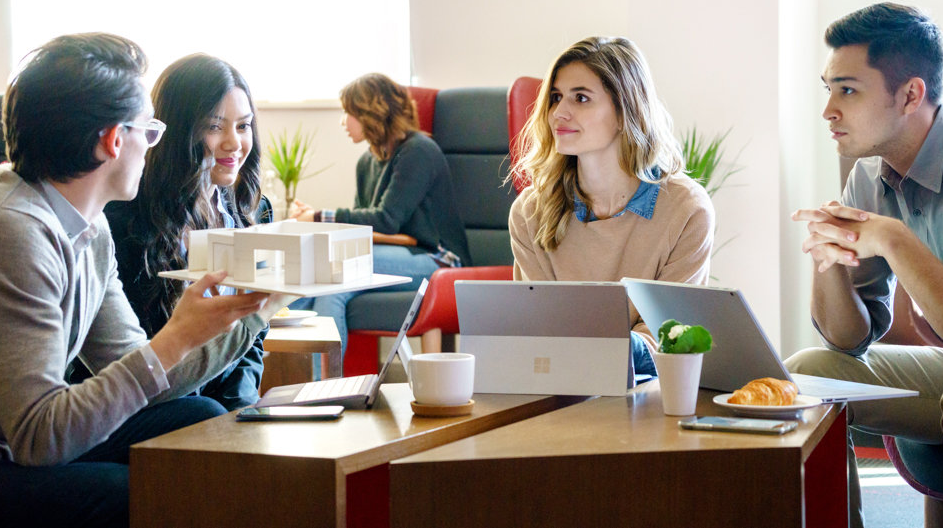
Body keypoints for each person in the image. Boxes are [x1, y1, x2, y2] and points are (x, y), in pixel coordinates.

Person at [0, 33, 289, 528]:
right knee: (133, 494)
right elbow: (40, 436)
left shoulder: (90, 224)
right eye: (149, 129)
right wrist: (175, 340)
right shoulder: (5, 230)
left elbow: (137, 375)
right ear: (112, 138)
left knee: (201, 420)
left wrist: (253, 313)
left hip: (15, 444)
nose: (154, 144)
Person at [788, 3, 943, 528]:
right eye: (828, 88)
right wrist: (827, 258)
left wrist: (894, 240)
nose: (828, 108)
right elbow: (850, 341)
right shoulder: (870, 176)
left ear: (911, 94)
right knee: (807, 374)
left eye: (847, 89)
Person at [508, 36, 714, 379]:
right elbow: (536, 332)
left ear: (624, 111)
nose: (559, 112)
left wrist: (599, 344)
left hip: (650, 391)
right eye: (556, 97)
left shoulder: (686, 210)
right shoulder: (530, 212)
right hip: (557, 386)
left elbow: (670, 340)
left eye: (581, 98)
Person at [105, 53, 272, 410]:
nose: (234, 142)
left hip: (219, 401)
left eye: (243, 126)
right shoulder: (126, 221)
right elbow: (132, 355)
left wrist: (240, 406)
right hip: (151, 401)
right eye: (214, 127)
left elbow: (252, 338)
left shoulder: (253, 211)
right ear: (180, 130)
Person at [290, 73, 471, 355]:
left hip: (439, 260)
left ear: (371, 113)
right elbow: (362, 226)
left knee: (332, 278)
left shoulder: (419, 151)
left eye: (348, 112)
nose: (343, 122)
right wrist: (315, 220)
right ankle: (299, 385)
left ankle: (323, 391)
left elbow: (386, 219)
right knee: (295, 292)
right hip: (400, 255)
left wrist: (318, 216)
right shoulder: (367, 162)